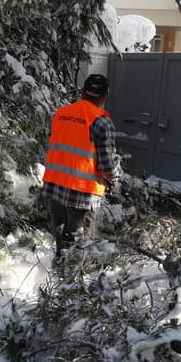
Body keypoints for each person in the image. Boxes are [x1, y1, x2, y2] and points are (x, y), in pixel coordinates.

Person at [42, 74, 118, 262]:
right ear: (103, 97)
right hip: (82, 192)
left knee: (60, 240)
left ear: (82, 92)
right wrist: (113, 179)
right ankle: (71, 285)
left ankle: (57, 276)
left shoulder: (61, 114)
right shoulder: (101, 122)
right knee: (78, 246)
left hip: (54, 185)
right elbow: (106, 163)